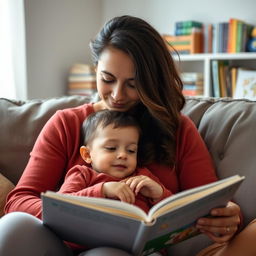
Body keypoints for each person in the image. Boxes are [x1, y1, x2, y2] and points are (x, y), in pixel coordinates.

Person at [1, 15, 256, 256]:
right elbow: (19, 201)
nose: (117, 95)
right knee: (13, 228)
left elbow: (211, 202)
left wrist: (228, 215)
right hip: (62, 243)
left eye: (133, 84)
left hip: (132, 251)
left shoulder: (176, 129)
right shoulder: (67, 124)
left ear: (152, 81)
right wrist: (71, 212)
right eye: (107, 79)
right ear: (96, 70)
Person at [58, 109, 171, 214]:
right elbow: (60, 204)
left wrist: (159, 193)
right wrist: (103, 190)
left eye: (131, 150)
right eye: (111, 148)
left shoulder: (143, 176)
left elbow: (175, 211)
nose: (123, 155)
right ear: (87, 154)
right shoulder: (83, 175)